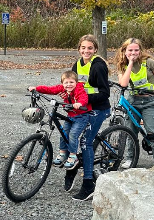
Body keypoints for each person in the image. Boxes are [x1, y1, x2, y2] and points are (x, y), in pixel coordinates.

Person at [66, 34, 111, 201]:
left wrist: (84, 100)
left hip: (98, 108)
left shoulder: (98, 66)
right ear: (79, 49)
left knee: (85, 142)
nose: (86, 51)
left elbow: (105, 93)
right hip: (83, 108)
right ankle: (73, 166)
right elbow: (71, 85)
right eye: (83, 48)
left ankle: (88, 184)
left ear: (95, 50)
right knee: (69, 131)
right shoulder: (76, 65)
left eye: (90, 48)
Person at [28, 70, 91, 170]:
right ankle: (63, 153)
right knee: (63, 132)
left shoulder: (79, 89)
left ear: (76, 82)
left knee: (73, 134)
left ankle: (73, 156)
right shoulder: (62, 88)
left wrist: (79, 103)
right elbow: (50, 89)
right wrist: (36, 89)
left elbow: (84, 97)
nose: (69, 85)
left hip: (81, 116)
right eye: (66, 82)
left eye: (71, 82)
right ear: (62, 83)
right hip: (71, 115)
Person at [115, 38, 154, 168]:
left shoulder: (148, 62)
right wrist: (130, 63)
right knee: (130, 130)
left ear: (141, 51)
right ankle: (130, 158)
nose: (133, 52)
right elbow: (124, 83)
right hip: (133, 100)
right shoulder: (123, 65)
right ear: (125, 51)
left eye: (136, 50)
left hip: (150, 101)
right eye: (130, 50)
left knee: (151, 131)